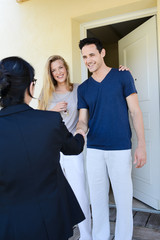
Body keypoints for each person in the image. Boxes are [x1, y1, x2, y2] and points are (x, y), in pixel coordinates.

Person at [0, 56, 86, 240]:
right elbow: (74, 148)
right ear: (31, 86)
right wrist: (80, 131)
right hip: (54, 220)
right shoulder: (50, 120)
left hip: (10, 226)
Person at [76, 37, 147, 240]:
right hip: (95, 149)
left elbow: (135, 111)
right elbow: (83, 120)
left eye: (91, 55)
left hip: (120, 148)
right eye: (84, 57)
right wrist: (79, 131)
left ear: (102, 53)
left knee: (124, 200)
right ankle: (100, 237)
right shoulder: (84, 88)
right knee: (97, 200)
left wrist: (141, 145)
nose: (88, 60)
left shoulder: (123, 77)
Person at [38, 55, 92, 240]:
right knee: (55, 194)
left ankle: (86, 235)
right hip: (51, 150)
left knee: (79, 192)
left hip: (71, 148)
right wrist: (52, 111)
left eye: (61, 68)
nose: (58, 72)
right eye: (54, 70)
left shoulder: (78, 89)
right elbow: (38, 121)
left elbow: (86, 113)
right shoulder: (46, 93)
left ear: (66, 69)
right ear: (50, 74)